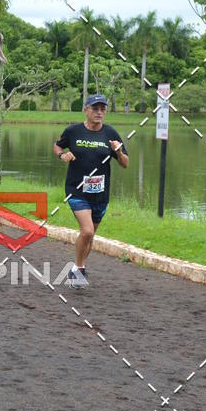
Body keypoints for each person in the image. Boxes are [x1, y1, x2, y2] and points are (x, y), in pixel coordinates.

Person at [54, 93, 129, 288]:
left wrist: (118, 151)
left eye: (103, 109)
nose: (99, 112)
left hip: (100, 194)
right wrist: (63, 154)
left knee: (90, 236)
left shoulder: (110, 134)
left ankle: (79, 267)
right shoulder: (73, 131)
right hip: (77, 190)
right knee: (86, 232)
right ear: (85, 110)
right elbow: (57, 146)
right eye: (95, 108)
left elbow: (125, 164)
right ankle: (78, 269)